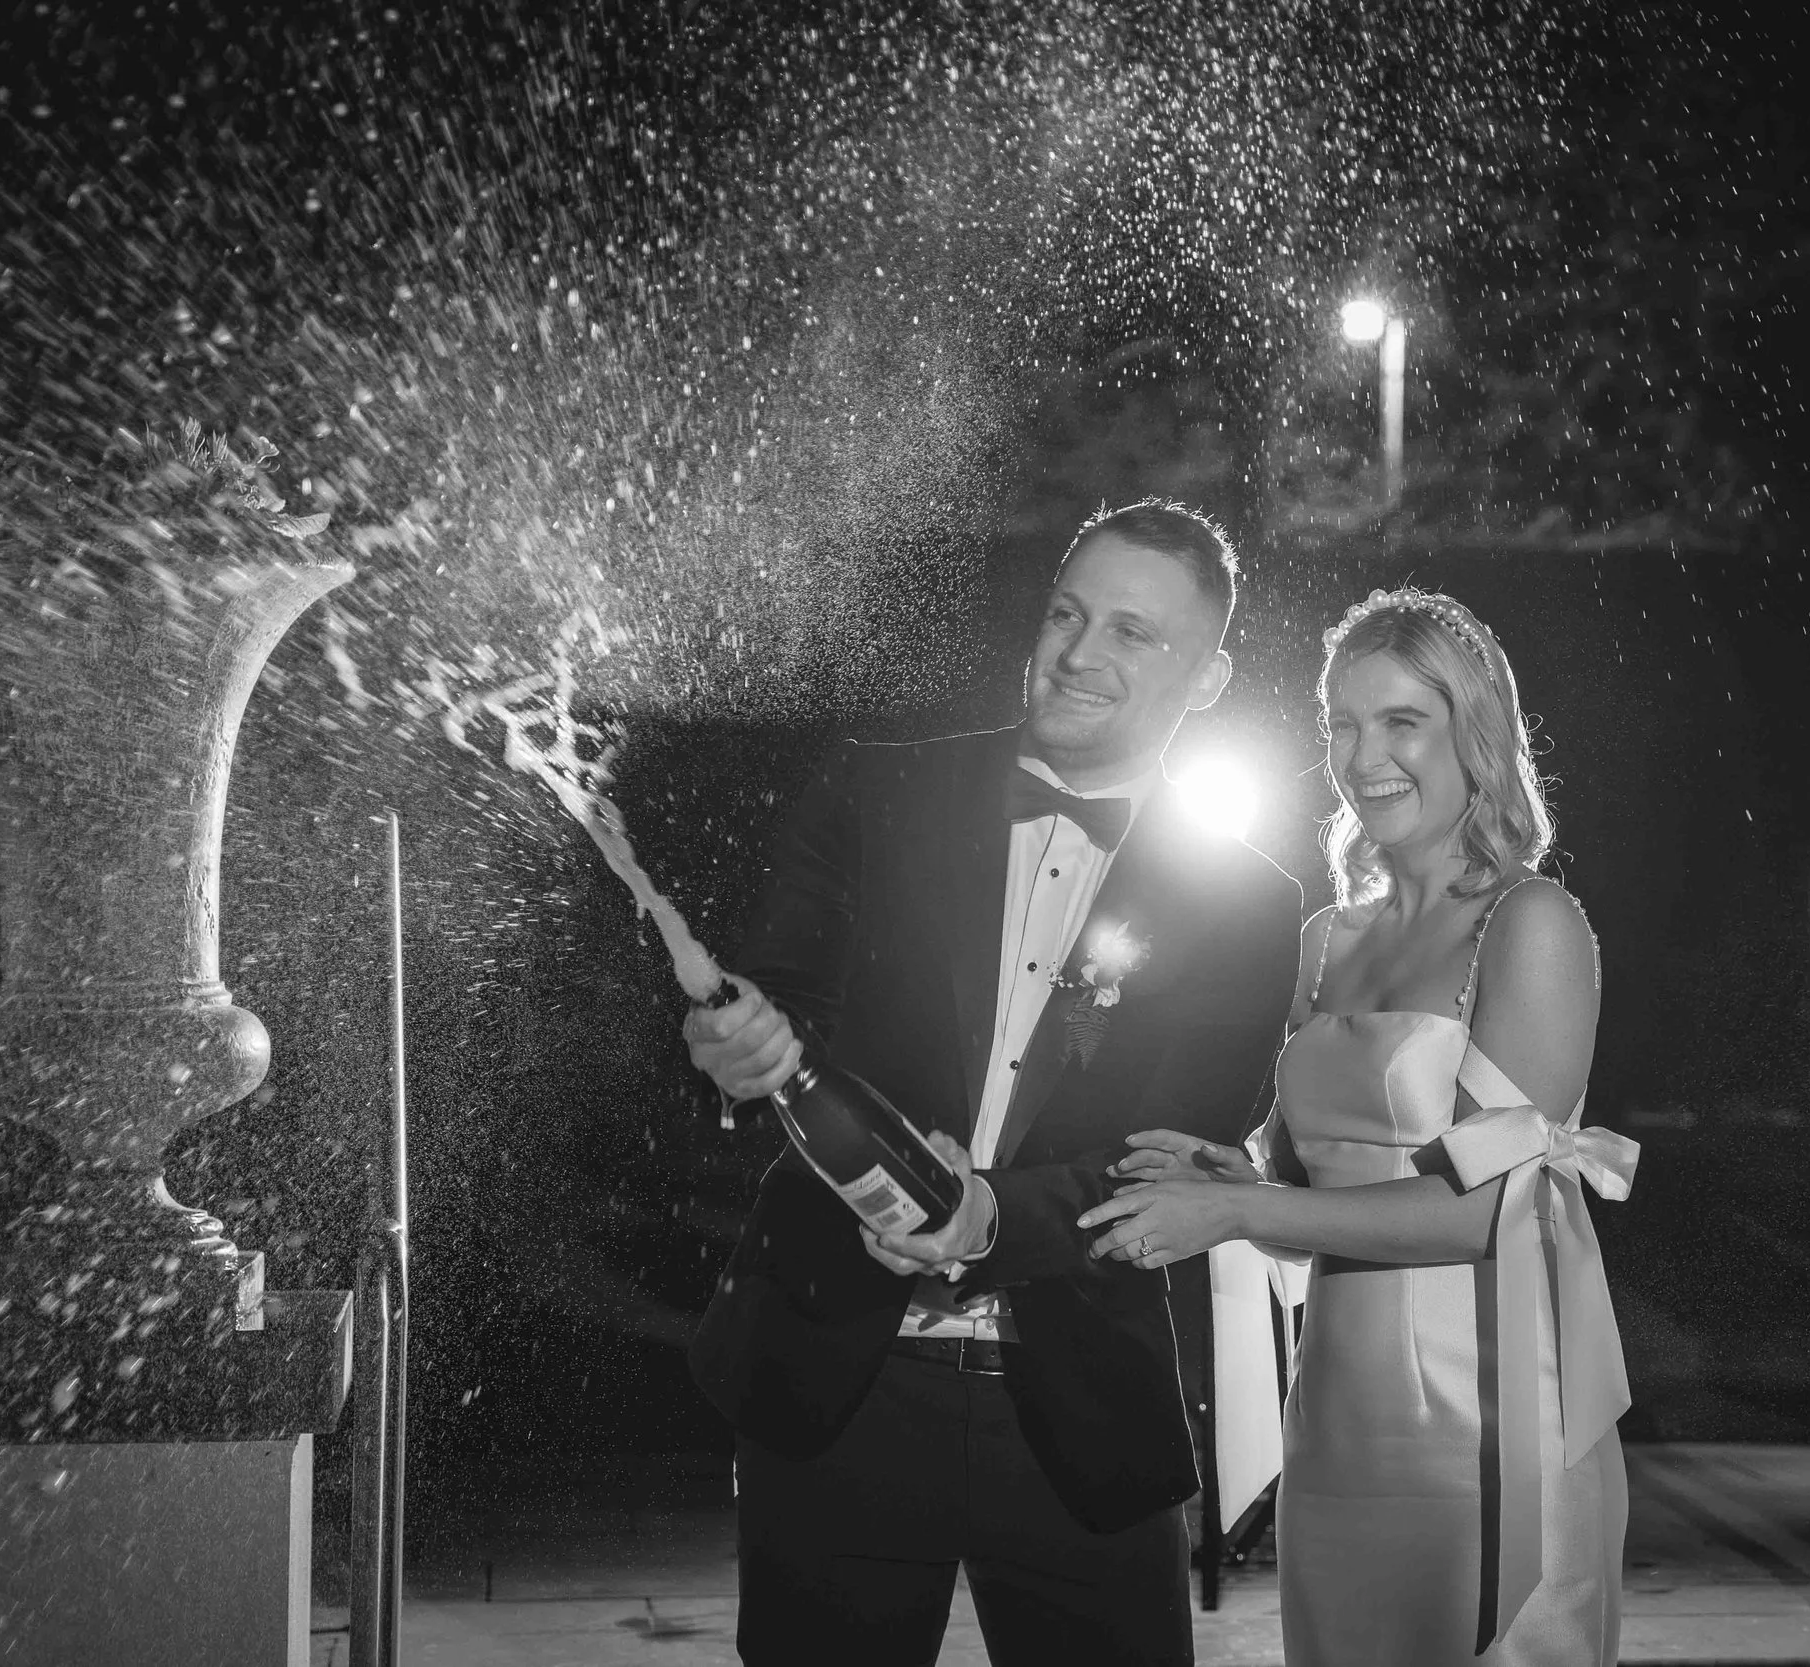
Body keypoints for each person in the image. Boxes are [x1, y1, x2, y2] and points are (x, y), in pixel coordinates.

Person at [684, 499, 1301, 1666]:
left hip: (1078, 1409)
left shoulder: (1249, 902)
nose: (1079, 652)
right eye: (1069, 613)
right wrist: (733, 1049)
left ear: (1208, 677)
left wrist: (985, 1220)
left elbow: (1175, 1154)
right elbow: (779, 1000)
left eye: (1134, 632)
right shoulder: (875, 790)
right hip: (835, 1383)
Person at [1081, 586, 1639, 1666]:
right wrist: (1225, 1172)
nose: (1361, 753)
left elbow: (1484, 1209)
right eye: (1340, 722)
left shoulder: (1532, 923)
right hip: (1337, 1416)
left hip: (1496, 1419)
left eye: (1400, 721)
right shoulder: (1325, 936)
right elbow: (1303, 1216)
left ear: (1473, 733)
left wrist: (1238, 1200)